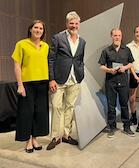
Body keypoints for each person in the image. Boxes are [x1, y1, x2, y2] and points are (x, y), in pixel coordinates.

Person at [47, 11, 86, 150]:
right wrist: (51, 79)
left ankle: (66, 134)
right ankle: (55, 137)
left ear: (79, 24)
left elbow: (80, 59)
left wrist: (81, 74)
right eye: (71, 23)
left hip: (74, 79)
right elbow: (50, 59)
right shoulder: (58, 38)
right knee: (57, 106)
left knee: (70, 107)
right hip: (58, 80)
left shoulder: (82, 41)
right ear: (66, 24)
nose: (74, 25)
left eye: (76, 23)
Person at [12, 20, 49, 153]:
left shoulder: (46, 46)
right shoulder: (21, 44)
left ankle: (35, 139)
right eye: (36, 27)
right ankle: (27, 140)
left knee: (39, 113)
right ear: (30, 29)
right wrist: (20, 85)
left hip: (43, 83)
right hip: (27, 83)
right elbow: (17, 65)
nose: (38, 30)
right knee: (26, 113)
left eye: (41, 28)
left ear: (43, 31)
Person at [98, 28, 135, 138]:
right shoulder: (106, 51)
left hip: (123, 81)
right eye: (115, 35)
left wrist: (125, 67)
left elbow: (131, 63)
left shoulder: (126, 50)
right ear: (111, 36)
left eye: (119, 35)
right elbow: (101, 66)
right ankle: (112, 127)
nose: (117, 37)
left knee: (124, 105)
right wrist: (109, 70)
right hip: (111, 82)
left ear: (121, 36)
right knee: (111, 106)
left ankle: (126, 127)